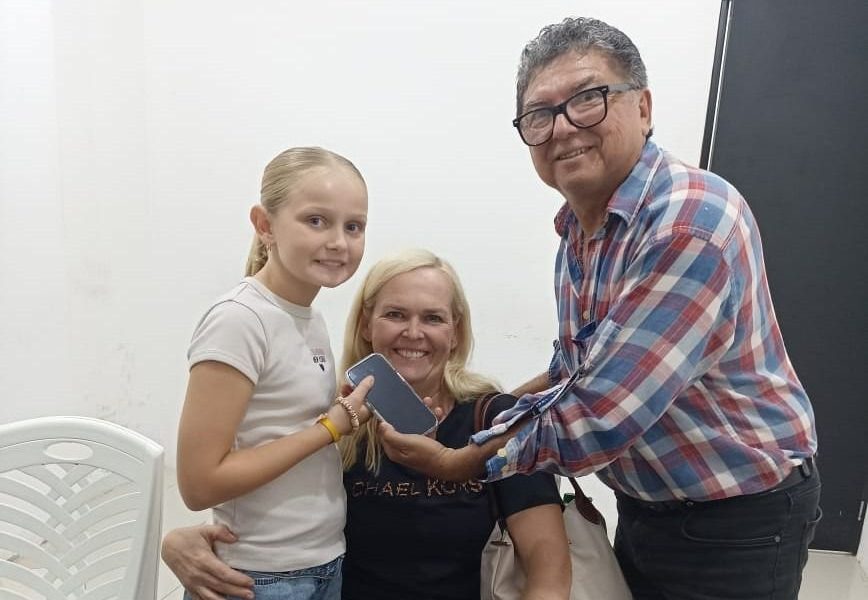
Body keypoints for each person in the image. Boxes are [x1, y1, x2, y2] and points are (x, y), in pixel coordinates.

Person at [379, 17, 820, 600]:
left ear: (643, 107)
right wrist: (484, 413)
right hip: (647, 503)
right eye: (539, 114)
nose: (562, 127)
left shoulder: (688, 222)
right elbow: (577, 372)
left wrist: (461, 457)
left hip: (736, 517)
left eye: (588, 98)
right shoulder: (579, 231)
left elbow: (601, 415)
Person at [163, 249, 572, 600]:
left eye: (433, 318)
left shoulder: (497, 422)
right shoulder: (335, 421)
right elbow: (273, 520)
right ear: (366, 323)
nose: (413, 332)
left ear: (455, 332)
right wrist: (179, 542)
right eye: (395, 314)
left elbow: (550, 576)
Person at [175, 146, 374, 600]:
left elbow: (276, 429)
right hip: (260, 577)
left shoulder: (309, 317)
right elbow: (199, 484)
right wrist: (328, 428)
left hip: (321, 564)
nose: (339, 242)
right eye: (316, 221)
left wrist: (333, 414)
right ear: (265, 225)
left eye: (353, 226)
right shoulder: (239, 320)